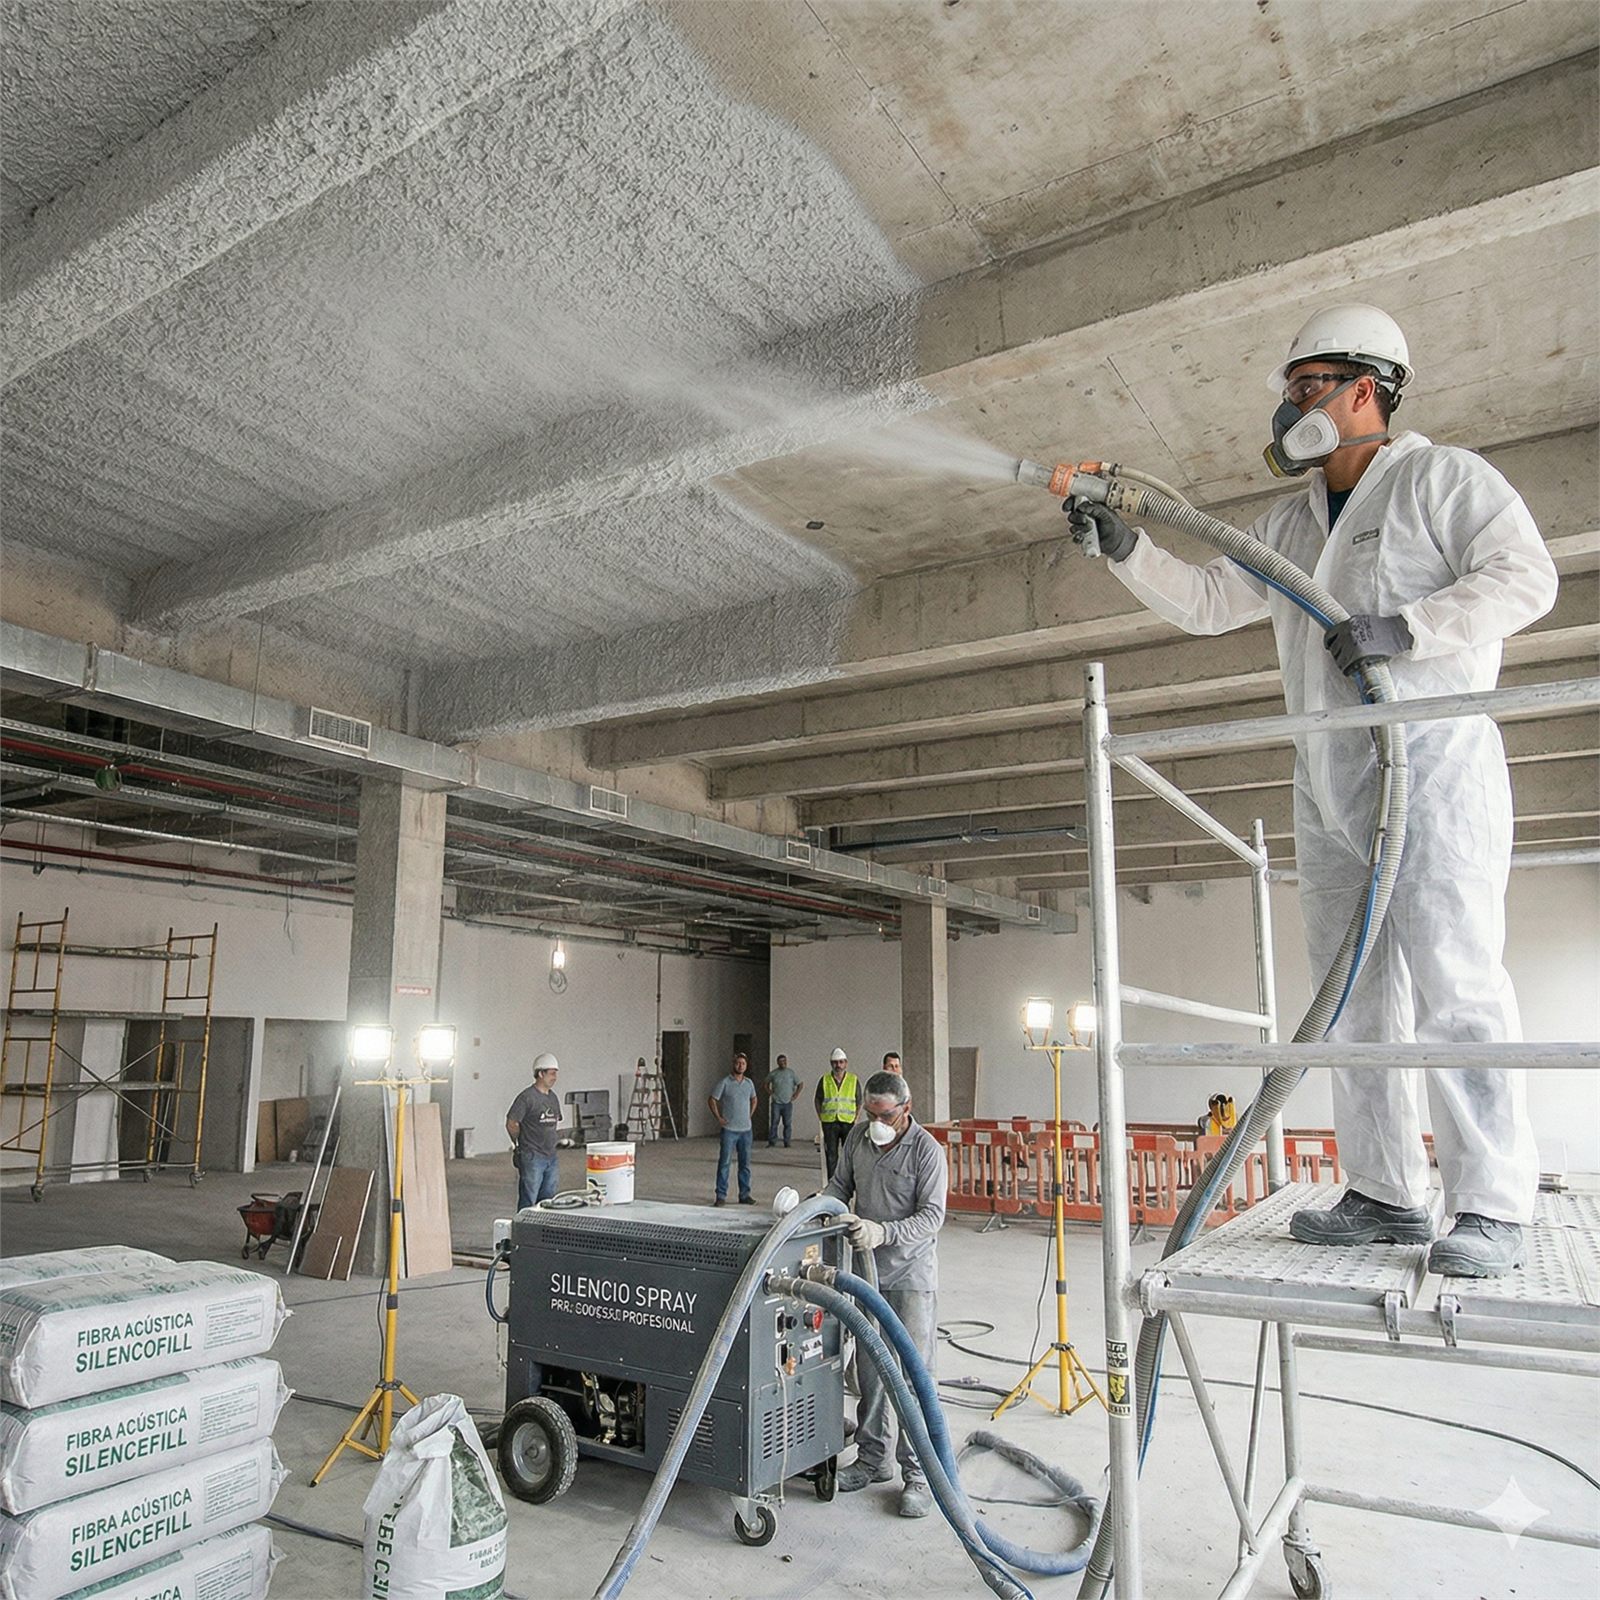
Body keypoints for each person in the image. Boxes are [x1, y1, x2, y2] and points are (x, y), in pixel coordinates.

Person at [1072, 303, 1556, 1278]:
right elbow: (1213, 601)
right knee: (1352, 1003)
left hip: (1430, 768)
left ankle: (1493, 1203)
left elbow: (1524, 577)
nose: (1294, 405)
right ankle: (1384, 1192)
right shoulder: (1289, 521)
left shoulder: (1440, 479)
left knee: (1456, 987)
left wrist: (1405, 629)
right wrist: (1127, 552)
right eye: (1290, 390)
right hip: (1329, 784)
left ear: (1366, 390)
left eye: (1310, 386)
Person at [824, 1071, 946, 1519]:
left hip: (910, 1275)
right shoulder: (857, 1139)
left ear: (905, 1110)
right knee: (870, 1369)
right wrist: (817, 1208)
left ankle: (918, 1474)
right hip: (866, 1273)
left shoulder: (927, 1152)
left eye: (885, 1115)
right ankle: (872, 1459)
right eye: (870, 1113)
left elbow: (932, 1216)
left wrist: (883, 1231)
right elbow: (840, 1187)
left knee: (913, 1376)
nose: (876, 1122)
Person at [506, 1053, 562, 1210]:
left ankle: (542, 1231)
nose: (555, 1077)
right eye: (551, 1073)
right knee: (528, 1199)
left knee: (548, 1200)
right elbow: (512, 1123)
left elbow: (554, 1123)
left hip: (551, 1156)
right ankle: (524, 1232)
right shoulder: (526, 1098)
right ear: (540, 1073)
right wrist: (519, 1143)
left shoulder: (553, 1098)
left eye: (555, 1073)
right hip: (532, 1156)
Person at [708, 1051, 758, 1205]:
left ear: (746, 1066)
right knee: (724, 1163)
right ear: (733, 1064)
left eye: (743, 1063)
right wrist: (719, 1118)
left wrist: (749, 1114)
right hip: (729, 1130)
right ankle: (721, 1196)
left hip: (746, 1130)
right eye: (738, 1063)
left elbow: (754, 1099)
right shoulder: (725, 1082)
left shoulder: (749, 1083)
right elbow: (712, 1099)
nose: (740, 1066)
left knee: (745, 1164)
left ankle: (744, 1195)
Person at [814, 1048, 861, 1178]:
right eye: (835, 1062)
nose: (838, 1065)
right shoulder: (824, 1080)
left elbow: (859, 1100)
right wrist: (821, 1117)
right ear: (831, 1063)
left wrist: (856, 1118)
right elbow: (817, 1099)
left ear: (846, 1063)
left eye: (841, 1062)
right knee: (831, 1155)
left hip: (847, 1122)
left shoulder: (853, 1080)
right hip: (829, 1122)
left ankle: (847, 1181)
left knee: (848, 1154)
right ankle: (832, 1182)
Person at [766, 1054, 803, 1148]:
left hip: (787, 1103)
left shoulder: (791, 1073)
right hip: (776, 1103)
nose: (783, 1063)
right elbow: (765, 1084)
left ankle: (787, 1142)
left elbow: (800, 1084)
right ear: (777, 1062)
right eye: (781, 1061)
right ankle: (772, 1142)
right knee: (774, 1122)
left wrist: (795, 1095)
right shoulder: (773, 1073)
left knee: (787, 1123)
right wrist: (770, 1093)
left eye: (784, 1061)